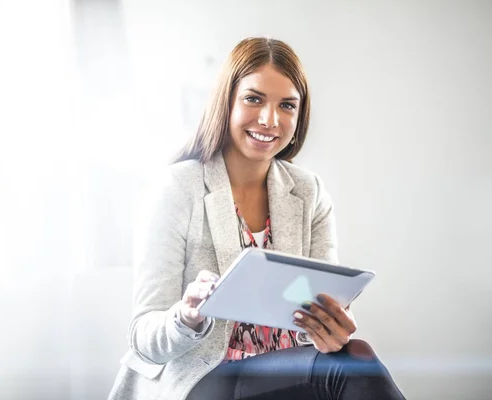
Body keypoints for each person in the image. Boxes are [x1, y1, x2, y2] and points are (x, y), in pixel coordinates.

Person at [108, 37, 405, 400]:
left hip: (283, 377)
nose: (270, 119)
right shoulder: (177, 188)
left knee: (350, 353)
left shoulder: (308, 192)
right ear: (227, 101)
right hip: (199, 379)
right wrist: (186, 317)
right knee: (351, 365)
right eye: (254, 98)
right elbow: (143, 337)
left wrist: (329, 330)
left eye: (287, 105)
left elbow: (315, 304)